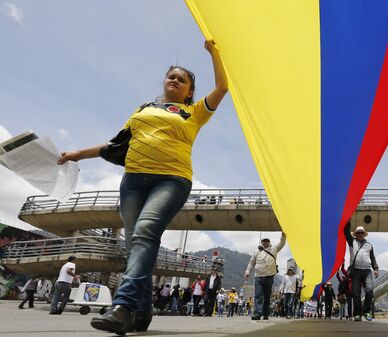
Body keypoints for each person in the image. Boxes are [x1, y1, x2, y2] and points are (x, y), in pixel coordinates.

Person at [58, 39, 228, 335]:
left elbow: (223, 87)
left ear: (190, 90)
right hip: (134, 180)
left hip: (172, 179)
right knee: (137, 244)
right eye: (171, 76)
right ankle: (143, 311)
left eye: (182, 79)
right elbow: (116, 144)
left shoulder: (194, 113)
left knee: (146, 232)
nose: (174, 80)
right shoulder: (142, 109)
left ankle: (122, 307)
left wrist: (214, 53)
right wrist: (76, 154)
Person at [245, 232, 287, 320]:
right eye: (264, 241)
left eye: (267, 241)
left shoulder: (274, 249)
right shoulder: (257, 252)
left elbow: (281, 243)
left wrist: (283, 235)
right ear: (261, 242)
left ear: (269, 242)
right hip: (258, 276)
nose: (265, 242)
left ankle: (265, 313)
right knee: (258, 295)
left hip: (269, 276)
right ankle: (257, 313)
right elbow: (251, 262)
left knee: (267, 296)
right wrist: (248, 271)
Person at [344, 224, 379, 322]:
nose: (360, 234)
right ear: (355, 234)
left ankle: (367, 312)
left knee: (369, 291)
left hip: (367, 271)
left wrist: (375, 268)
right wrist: (348, 219)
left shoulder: (369, 245)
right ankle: (357, 314)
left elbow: (372, 258)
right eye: (358, 233)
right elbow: (346, 233)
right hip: (356, 271)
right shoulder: (352, 241)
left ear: (364, 234)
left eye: (361, 233)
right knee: (356, 293)